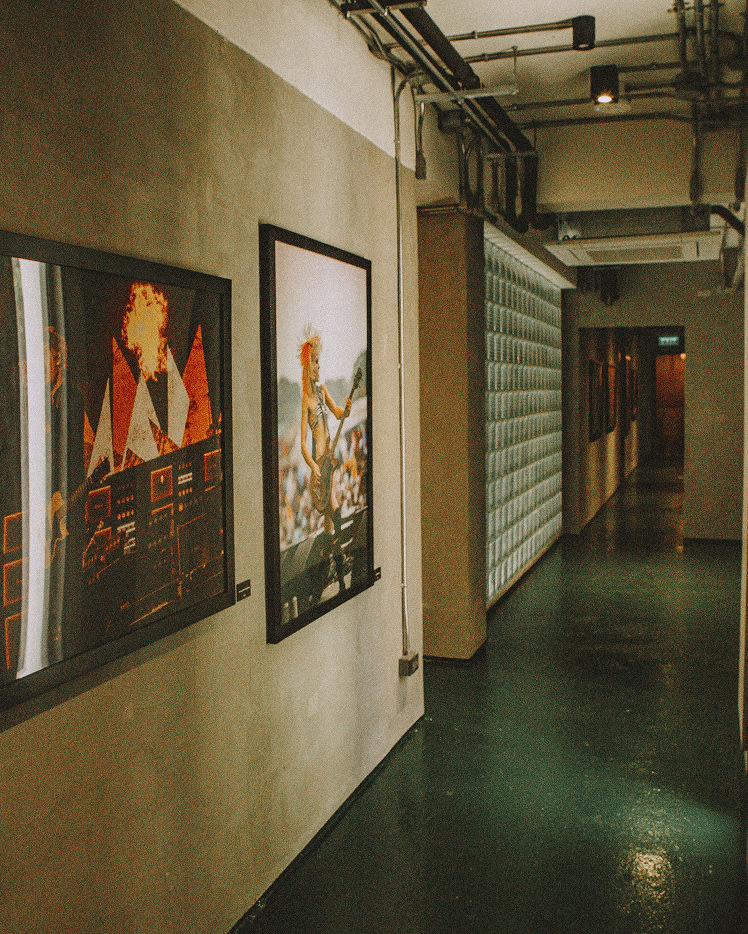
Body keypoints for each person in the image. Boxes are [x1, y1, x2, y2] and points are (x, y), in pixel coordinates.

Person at [298, 328, 352, 594]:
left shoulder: (322, 392)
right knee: (334, 512)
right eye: (316, 362)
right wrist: (314, 466)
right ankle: (337, 567)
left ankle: (337, 570)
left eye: (319, 362)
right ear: (308, 366)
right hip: (321, 468)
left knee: (331, 523)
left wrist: (347, 409)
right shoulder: (306, 401)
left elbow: (338, 412)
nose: (319, 367)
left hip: (329, 462)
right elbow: (302, 446)